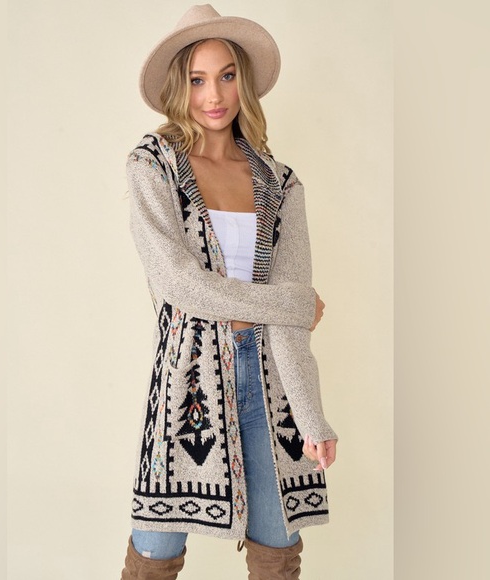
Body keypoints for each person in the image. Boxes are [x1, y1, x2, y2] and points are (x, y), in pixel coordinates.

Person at [121, 5, 337, 579]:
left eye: (226, 75)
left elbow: (291, 321)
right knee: (154, 551)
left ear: (244, 80)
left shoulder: (280, 184)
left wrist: (311, 417)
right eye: (196, 79)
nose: (213, 95)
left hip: (271, 382)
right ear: (178, 86)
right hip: (186, 380)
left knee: (278, 549)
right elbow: (178, 285)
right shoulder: (154, 165)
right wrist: (291, 303)